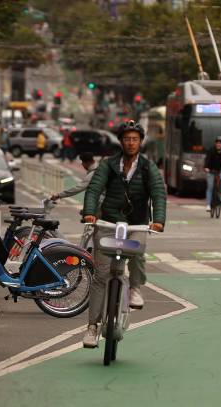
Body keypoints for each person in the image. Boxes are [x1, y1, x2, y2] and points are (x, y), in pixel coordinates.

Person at [81, 120, 166, 348]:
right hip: (108, 222)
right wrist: (90, 212)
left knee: (138, 251)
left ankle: (136, 287)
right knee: (100, 276)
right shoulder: (108, 164)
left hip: (137, 223)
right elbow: (94, 189)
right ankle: (92, 328)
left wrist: (158, 220)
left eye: (135, 139)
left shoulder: (148, 167)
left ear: (140, 141)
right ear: (121, 141)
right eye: (127, 139)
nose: (131, 142)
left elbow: (158, 193)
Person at [204, 135, 221, 211]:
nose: (219, 144)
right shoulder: (211, 150)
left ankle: (220, 193)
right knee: (210, 187)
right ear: (215, 143)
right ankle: (208, 205)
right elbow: (207, 159)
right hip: (211, 170)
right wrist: (206, 167)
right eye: (217, 143)